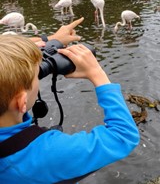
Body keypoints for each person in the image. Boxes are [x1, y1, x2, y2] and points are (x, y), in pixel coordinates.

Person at [0, 17, 139, 183]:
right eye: (37, 77)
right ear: (21, 103)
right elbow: (123, 135)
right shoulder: (48, 154)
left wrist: (49, 40)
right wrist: (97, 74)